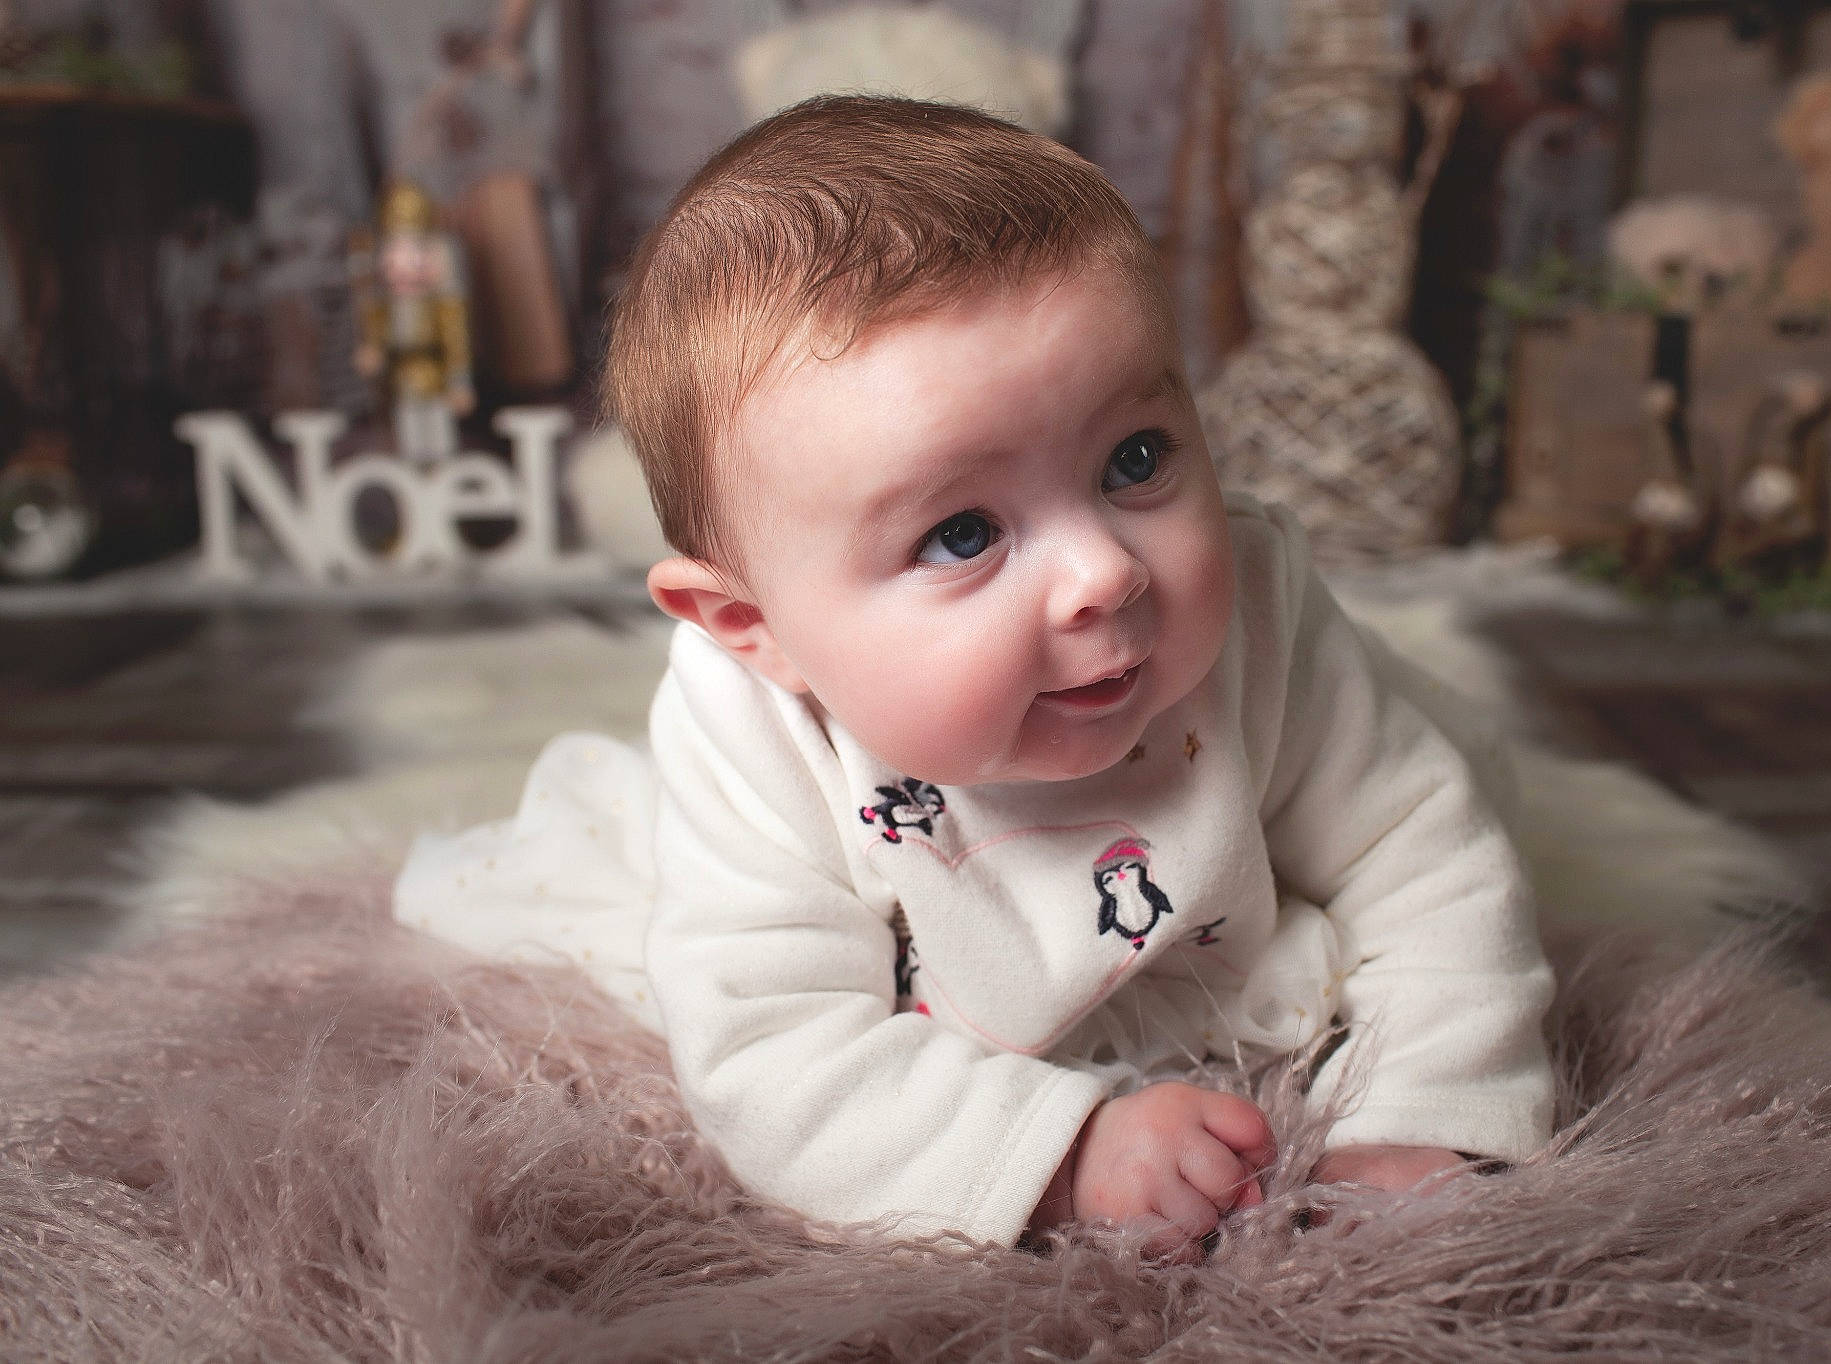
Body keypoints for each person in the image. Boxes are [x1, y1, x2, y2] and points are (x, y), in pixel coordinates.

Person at [395, 95, 1554, 1257]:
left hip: (1210, 938)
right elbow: (776, 1057)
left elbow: (1425, 859)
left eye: (1134, 459)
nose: (1101, 573)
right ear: (756, 625)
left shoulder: (1253, 609)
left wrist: (1426, 1103)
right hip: (914, 952)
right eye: (961, 534)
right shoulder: (749, 726)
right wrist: (1066, 1153)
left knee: (1455, 780)